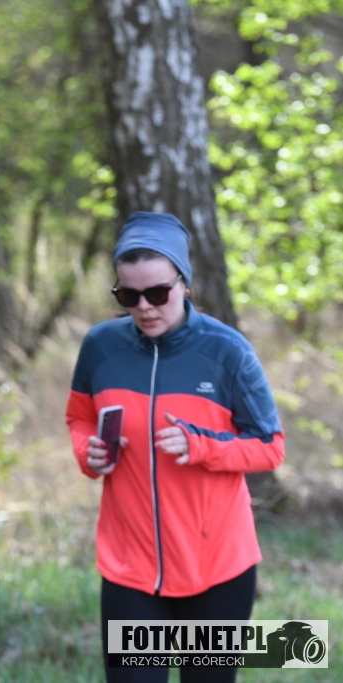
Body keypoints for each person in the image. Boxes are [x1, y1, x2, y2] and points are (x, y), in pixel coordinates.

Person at [65, 212, 285, 683]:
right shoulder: (101, 347)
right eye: (129, 296)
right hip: (131, 569)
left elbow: (270, 447)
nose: (144, 307)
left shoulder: (227, 351)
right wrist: (89, 452)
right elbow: (79, 418)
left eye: (158, 293)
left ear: (184, 283)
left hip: (218, 569)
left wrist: (202, 445)